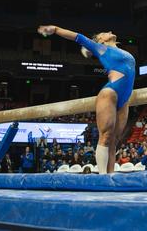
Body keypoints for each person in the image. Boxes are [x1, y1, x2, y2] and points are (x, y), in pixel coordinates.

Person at [38, 25, 136, 174]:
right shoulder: (102, 48)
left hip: (124, 98)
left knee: (114, 140)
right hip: (111, 92)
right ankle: (102, 176)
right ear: (101, 40)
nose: (109, 31)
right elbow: (78, 37)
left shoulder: (121, 51)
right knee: (106, 135)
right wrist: (56, 29)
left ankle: (111, 176)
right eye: (105, 32)